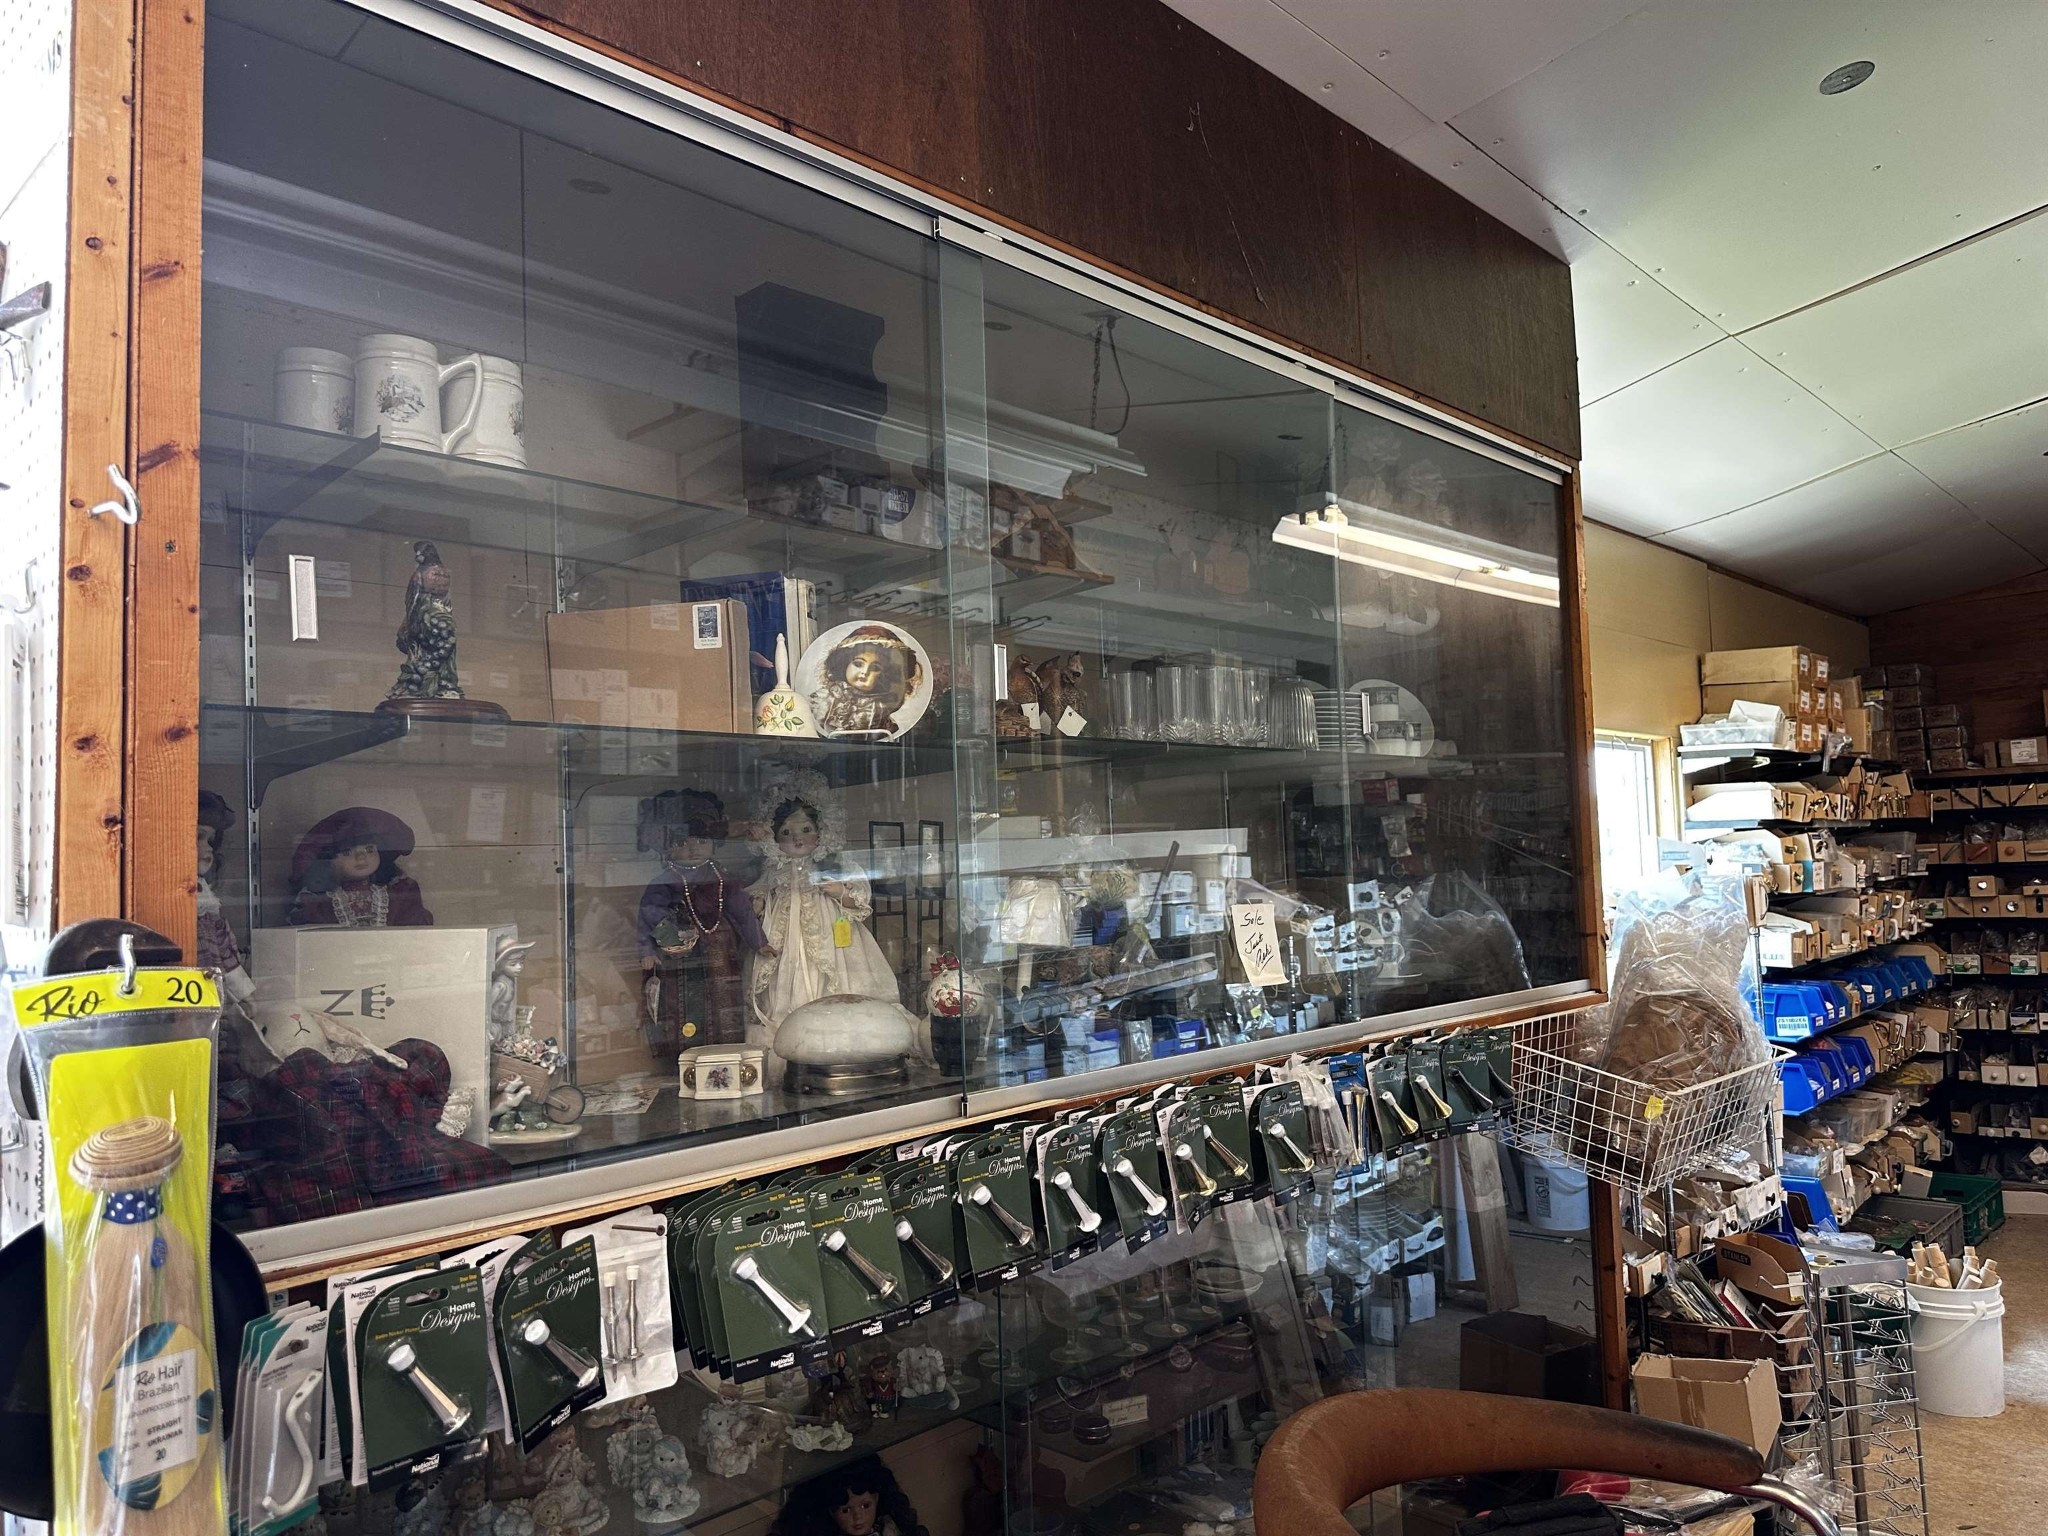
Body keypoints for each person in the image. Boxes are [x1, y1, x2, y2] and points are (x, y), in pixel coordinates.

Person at [746, 771, 903, 1053]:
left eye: (806, 830)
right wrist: (758, 901)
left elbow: (861, 899)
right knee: (786, 977)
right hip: (785, 935)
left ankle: (836, 1035)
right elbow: (760, 886)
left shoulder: (834, 864)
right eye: (786, 833)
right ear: (774, 837)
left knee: (834, 974)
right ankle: (795, 1037)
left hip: (830, 928)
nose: (797, 839)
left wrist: (841, 893)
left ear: (822, 830)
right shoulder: (776, 868)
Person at [634, 789, 772, 1059]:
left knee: (725, 1000)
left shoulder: (723, 879)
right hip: (681, 958)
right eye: (682, 842)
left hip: (721, 952)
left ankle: (726, 1051)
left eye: (700, 840)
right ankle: (687, 1056)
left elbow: (742, 911)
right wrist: (646, 950)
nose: (692, 848)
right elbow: (648, 915)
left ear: (713, 842)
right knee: (685, 1004)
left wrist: (759, 941)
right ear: (668, 846)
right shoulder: (664, 882)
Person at [287, 806, 433, 926]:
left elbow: (412, 929)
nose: (361, 857)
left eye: (369, 850)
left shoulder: (398, 893)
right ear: (329, 860)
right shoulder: (319, 901)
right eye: (347, 852)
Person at [770, 1455, 926, 1536]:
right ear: (831, 1511)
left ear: (877, 1499)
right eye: (846, 1510)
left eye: (866, 1505)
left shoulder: (889, 1528)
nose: (858, 1517)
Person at [815, 624, 922, 738]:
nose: (865, 672)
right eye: (858, 664)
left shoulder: (881, 706)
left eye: (875, 668)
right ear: (844, 665)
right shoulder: (825, 698)